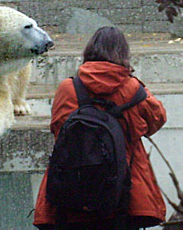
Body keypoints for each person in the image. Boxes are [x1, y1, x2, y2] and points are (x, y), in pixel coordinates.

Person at [33, 26, 167, 230]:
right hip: (122, 197)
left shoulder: (68, 88)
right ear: (123, 54)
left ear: (89, 51)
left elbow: (59, 131)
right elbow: (157, 120)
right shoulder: (133, 90)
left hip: (70, 193)